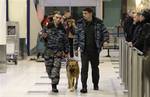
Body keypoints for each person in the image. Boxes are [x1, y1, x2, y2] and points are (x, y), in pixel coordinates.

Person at [74, 7, 109, 93]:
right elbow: (76, 36)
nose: (84, 15)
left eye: (85, 13)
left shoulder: (98, 23)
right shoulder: (80, 23)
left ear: (90, 13)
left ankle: (95, 84)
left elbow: (105, 33)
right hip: (84, 50)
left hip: (94, 50)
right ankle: (84, 86)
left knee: (95, 68)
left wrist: (105, 41)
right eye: (83, 13)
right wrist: (75, 48)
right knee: (84, 69)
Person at [40, 12, 69, 93]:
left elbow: (66, 41)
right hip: (48, 52)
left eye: (60, 18)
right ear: (53, 18)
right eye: (57, 17)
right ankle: (52, 79)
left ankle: (54, 86)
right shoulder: (47, 27)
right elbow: (41, 38)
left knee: (56, 69)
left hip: (58, 52)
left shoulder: (62, 29)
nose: (58, 19)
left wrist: (66, 51)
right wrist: (43, 36)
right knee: (49, 70)